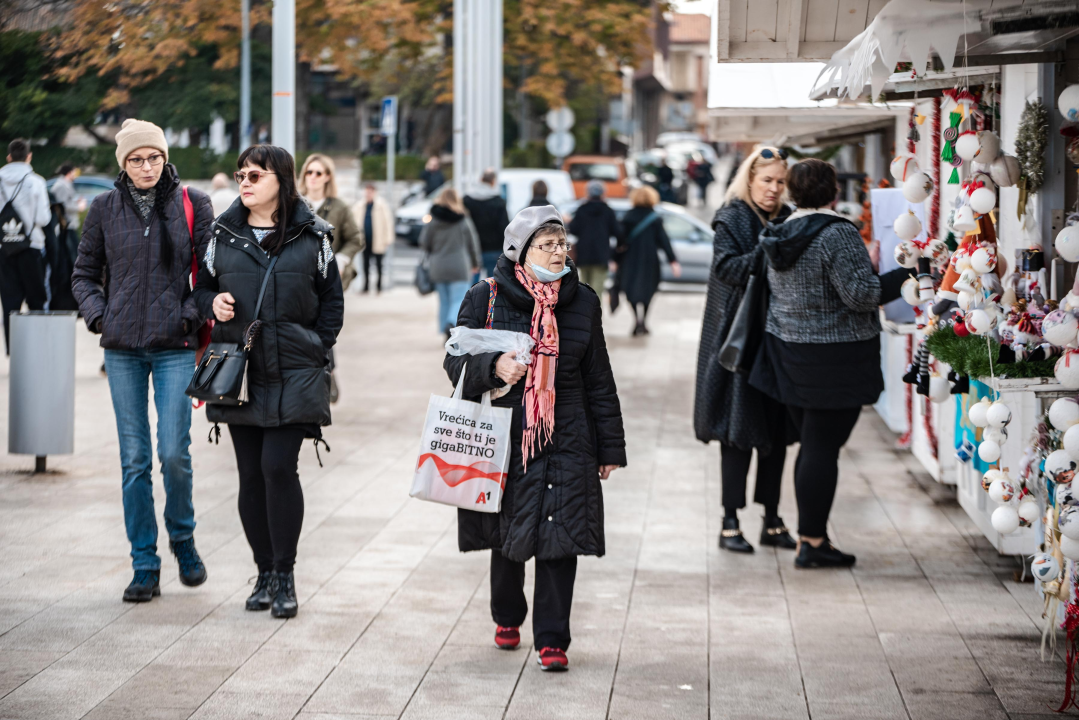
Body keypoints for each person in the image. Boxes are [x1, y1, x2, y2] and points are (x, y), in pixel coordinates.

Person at [444, 205, 626, 672]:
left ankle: (552, 639)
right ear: (519, 251)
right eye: (547, 244)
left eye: (562, 243)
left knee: (561, 538)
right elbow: (455, 362)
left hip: (569, 432)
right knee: (511, 534)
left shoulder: (583, 300)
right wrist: (495, 367)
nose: (559, 252)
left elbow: (598, 378)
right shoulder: (485, 297)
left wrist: (610, 447)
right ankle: (507, 616)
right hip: (506, 432)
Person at [191, 145, 344, 617]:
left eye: (255, 175)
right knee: (252, 476)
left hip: (296, 371)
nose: (245, 182)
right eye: (241, 174)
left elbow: (332, 304)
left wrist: (316, 347)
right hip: (241, 372)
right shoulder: (222, 233)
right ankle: (263, 572)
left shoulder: (313, 236)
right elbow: (201, 289)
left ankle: (285, 574)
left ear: (281, 179)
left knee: (279, 468)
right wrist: (210, 305)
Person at [71, 119, 213, 602]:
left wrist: (188, 317)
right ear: (124, 164)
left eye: (153, 157)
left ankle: (183, 538)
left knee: (173, 452)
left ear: (164, 157)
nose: (146, 166)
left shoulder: (193, 203)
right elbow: (83, 275)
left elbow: (212, 276)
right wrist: (99, 318)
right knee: (134, 461)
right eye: (136, 159)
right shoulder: (104, 208)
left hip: (174, 345)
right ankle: (144, 563)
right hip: (123, 350)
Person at [749, 159, 912, 569]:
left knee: (813, 445)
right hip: (835, 359)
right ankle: (812, 543)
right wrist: (908, 273)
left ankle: (811, 537)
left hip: (788, 353)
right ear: (834, 192)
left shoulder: (779, 231)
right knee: (823, 449)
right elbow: (860, 295)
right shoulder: (838, 233)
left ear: (791, 192)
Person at [693, 146, 795, 553]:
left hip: (779, 339)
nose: (773, 189)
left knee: (777, 433)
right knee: (736, 434)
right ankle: (729, 522)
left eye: (781, 182)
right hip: (737, 342)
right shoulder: (733, 216)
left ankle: (771, 519)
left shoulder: (787, 219)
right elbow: (726, 269)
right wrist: (769, 246)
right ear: (750, 179)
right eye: (767, 180)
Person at [0, 139, 50, 353]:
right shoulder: (36, 181)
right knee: (36, 297)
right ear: (29, 156)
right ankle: (36, 349)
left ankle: (14, 350)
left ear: (8, 156)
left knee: (9, 299)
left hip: (4, 247)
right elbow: (44, 218)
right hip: (32, 246)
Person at [615, 186, 679, 336]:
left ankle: (636, 319)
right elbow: (664, 241)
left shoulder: (627, 218)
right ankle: (644, 320)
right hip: (650, 260)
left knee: (629, 289)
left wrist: (615, 259)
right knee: (649, 290)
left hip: (630, 259)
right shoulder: (655, 219)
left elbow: (620, 242)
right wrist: (673, 261)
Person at [420, 187, 480, 338]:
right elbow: (472, 244)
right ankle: (452, 324)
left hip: (438, 266)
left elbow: (424, 242)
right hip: (460, 266)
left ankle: (444, 329)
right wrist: (475, 263)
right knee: (458, 300)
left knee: (444, 301)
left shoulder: (433, 220)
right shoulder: (463, 219)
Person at [298, 153, 363, 291]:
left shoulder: (340, 207)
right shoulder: (293, 205)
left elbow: (355, 239)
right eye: (309, 172)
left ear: (327, 177)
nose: (312, 177)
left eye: (318, 173)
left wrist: (341, 260)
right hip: (299, 276)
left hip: (328, 279)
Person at [567, 180, 622, 293]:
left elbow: (573, 229)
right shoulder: (608, 211)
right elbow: (617, 232)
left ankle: (585, 310)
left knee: (583, 287)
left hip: (583, 254)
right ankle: (596, 309)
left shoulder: (582, 209)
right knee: (597, 289)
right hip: (601, 255)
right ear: (603, 193)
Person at [464, 168, 510, 278]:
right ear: (493, 182)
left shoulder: (467, 200)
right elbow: (504, 227)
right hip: (494, 248)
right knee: (492, 285)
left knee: (472, 287)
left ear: (480, 179)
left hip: (472, 248)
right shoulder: (498, 202)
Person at [352, 183, 394, 293]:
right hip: (365, 240)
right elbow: (354, 223)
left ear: (374, 193)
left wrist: (388, 238)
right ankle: (366, 286)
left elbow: (388, 222)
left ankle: (379, 286)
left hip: (378, 240)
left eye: (370, 192)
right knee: (365, 265)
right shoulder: (359, 206)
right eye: (367, 192)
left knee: (379, 264)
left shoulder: (381, 205)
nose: (368, 194)